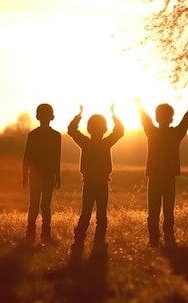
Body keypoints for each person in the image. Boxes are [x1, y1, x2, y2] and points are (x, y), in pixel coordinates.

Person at [136, 95, 188, 248]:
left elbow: (145, 120)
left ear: (157, 118)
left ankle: (154, 239)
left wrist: (139, 106)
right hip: (168, 178)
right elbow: (186, 121)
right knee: (168, 210)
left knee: (153, 210)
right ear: (172, 118)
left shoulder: (152, 132)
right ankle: (168, 236)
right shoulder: (175, 134)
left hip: (154, 177)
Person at [68, 104, 124, 251]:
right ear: (105, 129)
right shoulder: (106, 143)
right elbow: (120, 131)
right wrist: (114, 114)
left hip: (89, 184)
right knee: (101, 214)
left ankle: (79, 237)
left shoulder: (85, 142)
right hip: (102, 184)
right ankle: (99, 240)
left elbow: (71, 130)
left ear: (88, 128)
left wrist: (79, 115)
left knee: (85, 212)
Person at [22, 103, 61, 244]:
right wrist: (58, 176)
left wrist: (24, 175)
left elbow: (27, 157)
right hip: (46, 176)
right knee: (45, 206)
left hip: (36, 176)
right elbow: (57, 158)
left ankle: (31, 234)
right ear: (52, 117)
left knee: (35, 205)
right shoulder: (56, 136)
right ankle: (44, 235)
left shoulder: (33, 135)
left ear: (37, 116)